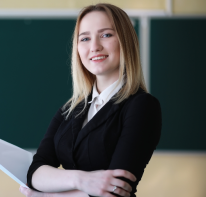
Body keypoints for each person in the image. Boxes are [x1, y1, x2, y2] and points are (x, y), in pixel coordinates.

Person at [19, 3, 161, 197]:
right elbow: (35, 172)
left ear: (125, 41)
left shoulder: (142, 106)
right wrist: (82, 180)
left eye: (106, 35)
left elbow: (115, 191)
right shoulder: (70, 109)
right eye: (85, 38)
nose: (94, 47)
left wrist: (45, 195)